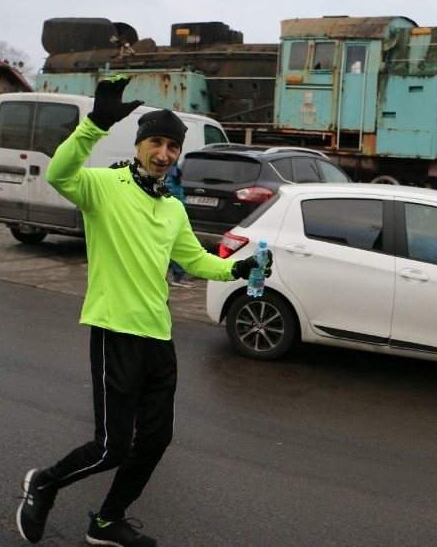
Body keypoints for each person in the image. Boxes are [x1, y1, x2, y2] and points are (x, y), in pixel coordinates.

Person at [15, 74, 271, 547]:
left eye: (173, 146)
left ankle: (108, 520)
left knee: (154, 440)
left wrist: (239, 269)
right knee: (110, 446)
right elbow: (59, 175)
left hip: (158, 337)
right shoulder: (104, 187)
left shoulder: (172, 206)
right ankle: (43, 484)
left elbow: (193, 260)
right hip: (115, 330)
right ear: (139, 145)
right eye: (156, 142)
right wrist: (94, 124)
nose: (165, 154)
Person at [165, 161, 192, 288]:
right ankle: (178, 276)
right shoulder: (171, 172)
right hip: (170, 215)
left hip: (172, 214)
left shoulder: (172, 171)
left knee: (171, 246)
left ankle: (175, 276)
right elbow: (175, 193)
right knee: (173, 246)